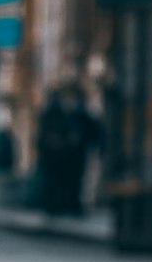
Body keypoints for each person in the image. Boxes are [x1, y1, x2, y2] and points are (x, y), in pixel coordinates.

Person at [36, 83, 102, 214]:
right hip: (64, 157)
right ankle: (63, 206)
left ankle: (62, 206)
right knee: (65, 183)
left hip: (67, 156)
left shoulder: (71, 115)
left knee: (64, 183)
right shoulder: (64, 115)